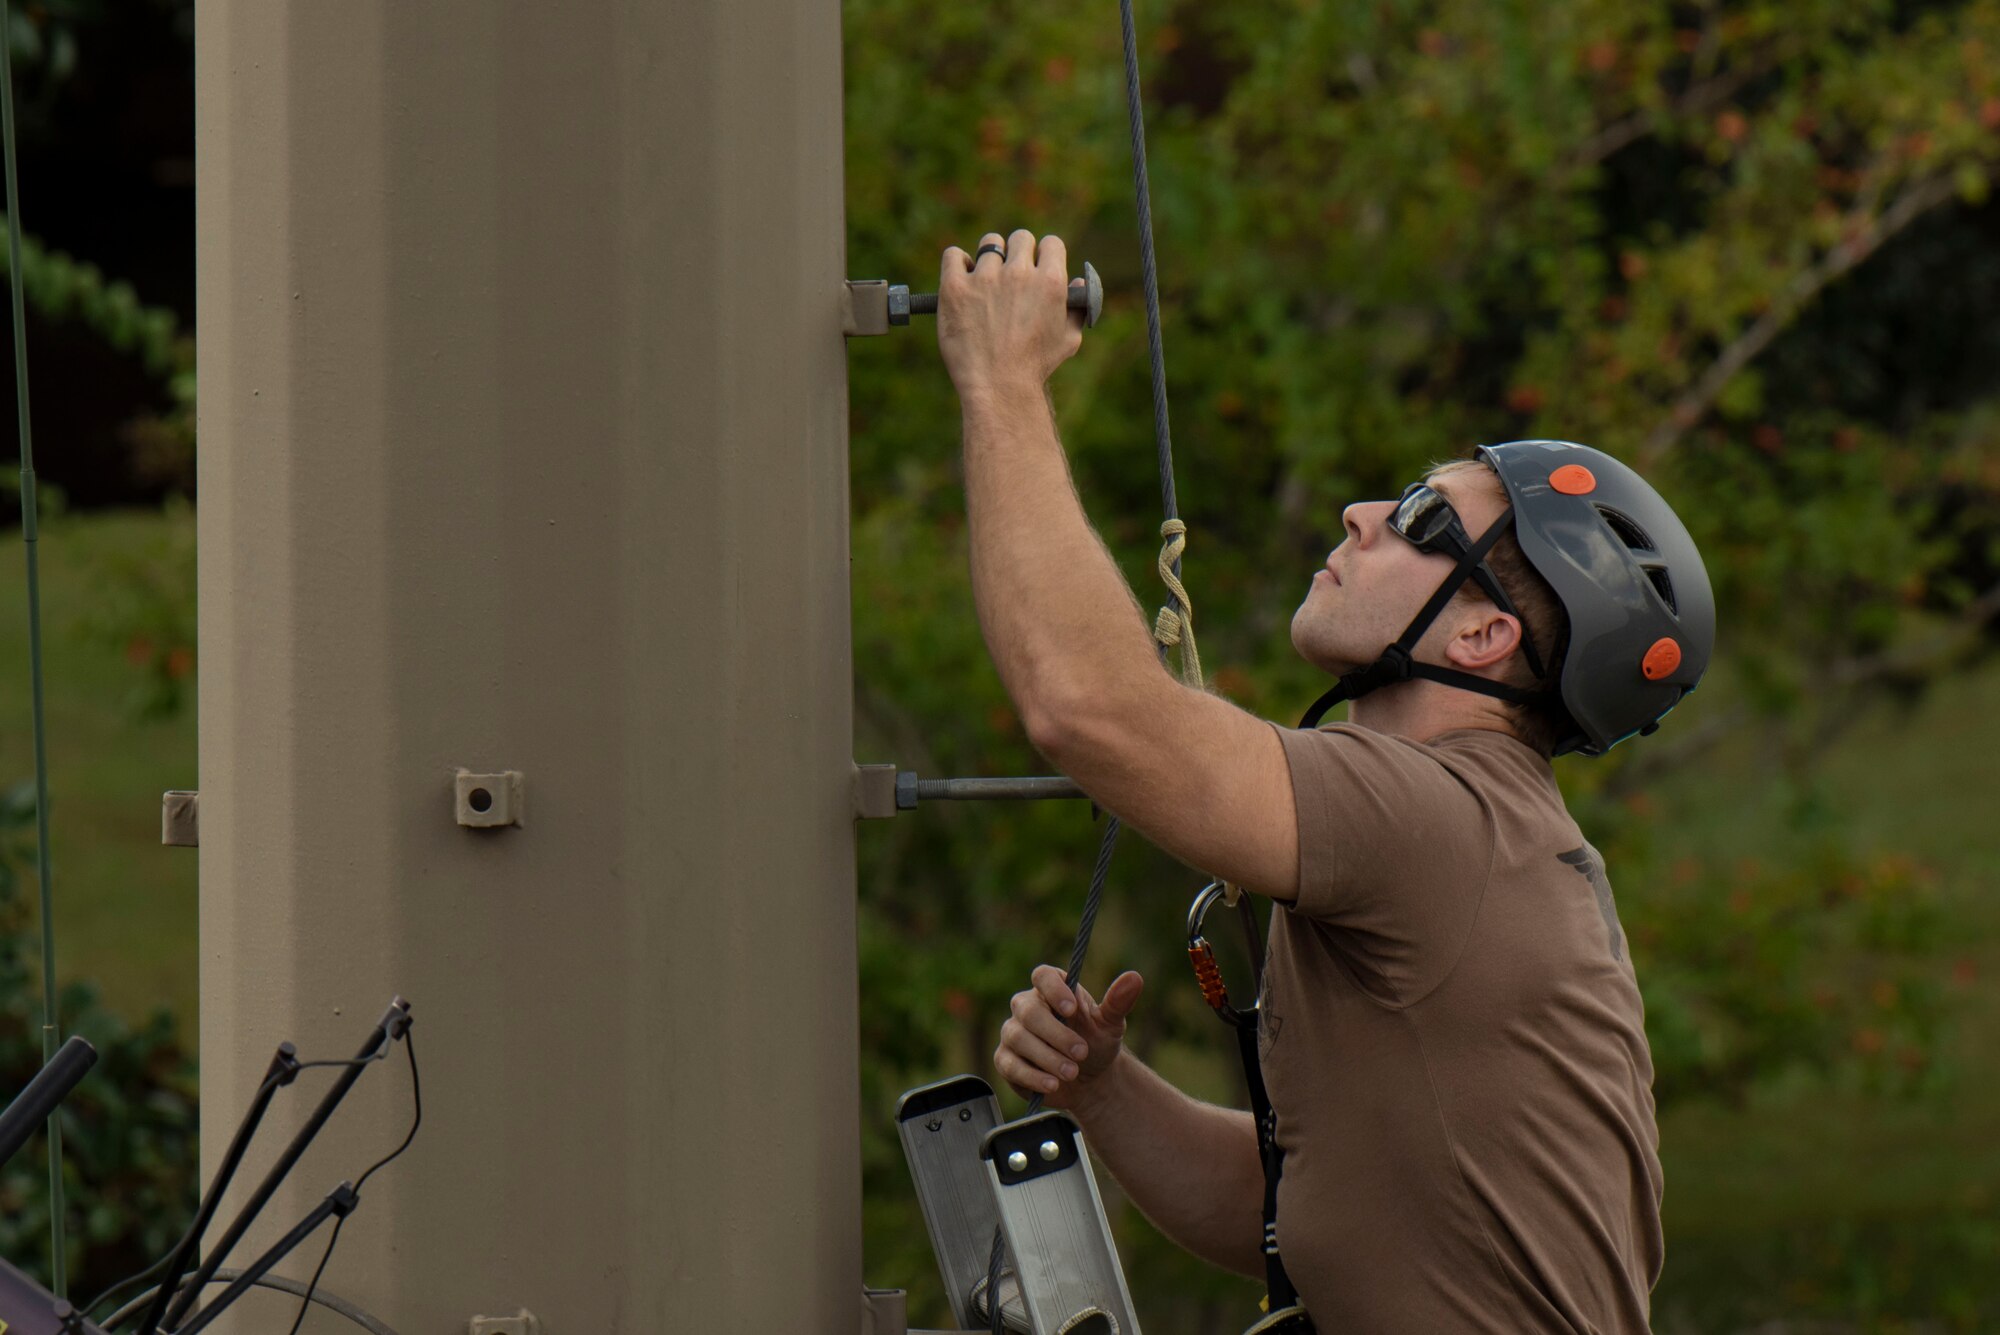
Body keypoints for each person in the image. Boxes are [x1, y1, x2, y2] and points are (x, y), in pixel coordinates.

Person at [937, 228, 1715, 1334]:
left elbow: (1085, 707)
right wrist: (1103, 1094)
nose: (1361, 514)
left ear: (1486, 633)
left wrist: (1003, 382)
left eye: (1420, 521)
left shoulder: (1428, 819)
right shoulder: (1471, 829)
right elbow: (1303, 1214)